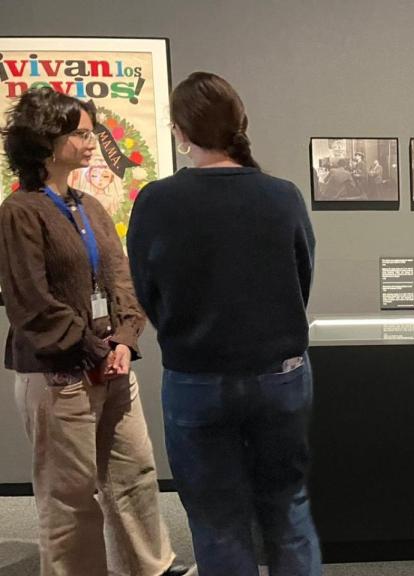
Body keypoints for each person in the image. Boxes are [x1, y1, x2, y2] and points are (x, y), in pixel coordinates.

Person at [126, 72, 320, 576]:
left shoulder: (156, 201)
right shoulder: (282, 196)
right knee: (288, 508)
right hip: (280, 374)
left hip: (195, 379)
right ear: (239, 124)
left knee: (217, 521)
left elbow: (145, 289)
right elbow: (301, 279)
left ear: (180, 132)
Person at [0, 87, 192, 576]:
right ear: (47, 140)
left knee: (134, 474)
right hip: (58, 373)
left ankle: (151, 566)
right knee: (69, 492)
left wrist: (125, 341)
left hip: (112, 363)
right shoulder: (20, 211)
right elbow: (30, 303)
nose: (91, 142)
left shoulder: (90, 206)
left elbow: (120, 279)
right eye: (81, 133)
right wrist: (92, 349)